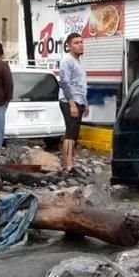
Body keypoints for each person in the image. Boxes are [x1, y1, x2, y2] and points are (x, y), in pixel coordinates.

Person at [58, 32, 87, 172]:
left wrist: (85, 103)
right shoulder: (67, 61)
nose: (80, 45)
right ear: (69, 46)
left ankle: (69, 162)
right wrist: (72, 103)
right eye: (76, 43)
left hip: (79, 100)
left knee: (74, 134)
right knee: (70, 134)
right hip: (69, 101)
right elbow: (64, 83)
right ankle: (68, 165)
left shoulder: (78, 62)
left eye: (81, 42)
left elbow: (80, 84)